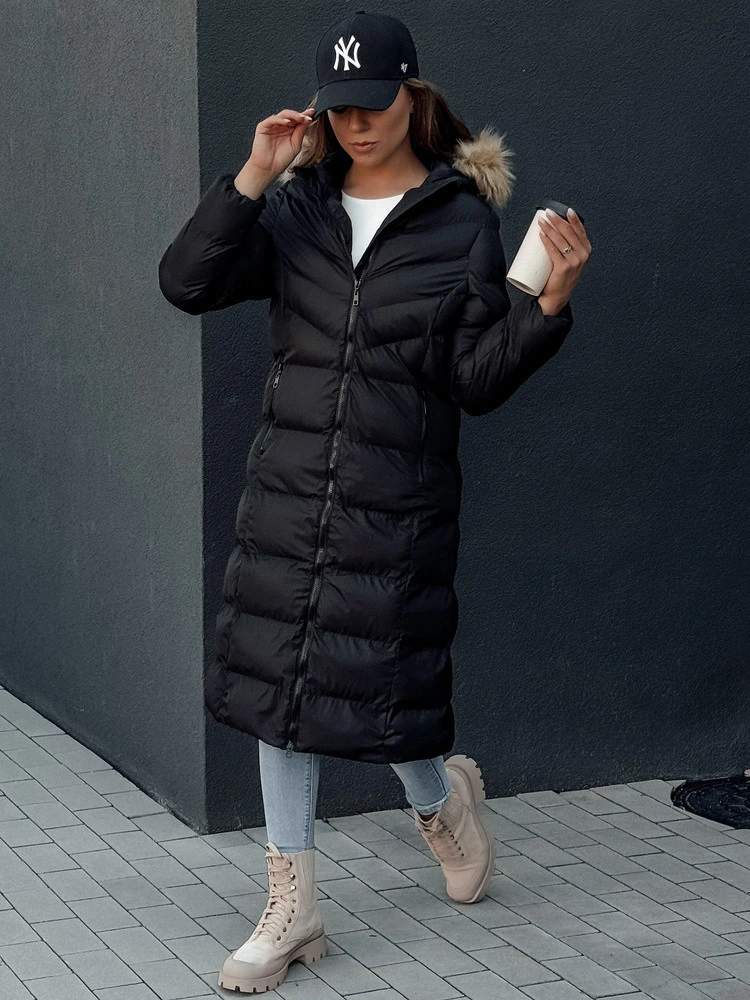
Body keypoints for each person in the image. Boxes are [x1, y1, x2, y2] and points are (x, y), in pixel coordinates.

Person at [158, 10, 591, 994]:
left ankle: (441, 805)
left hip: (396, 504)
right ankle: (293, 905)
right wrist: (253, 176)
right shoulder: (298, 211)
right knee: (284, 694)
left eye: (375, 104)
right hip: (289, 493)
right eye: (340, 108)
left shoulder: (458, 221)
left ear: (413, 96)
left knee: (384, 697)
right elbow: (185, 281)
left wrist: (548, 307)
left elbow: (474, 377)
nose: (357, 125)